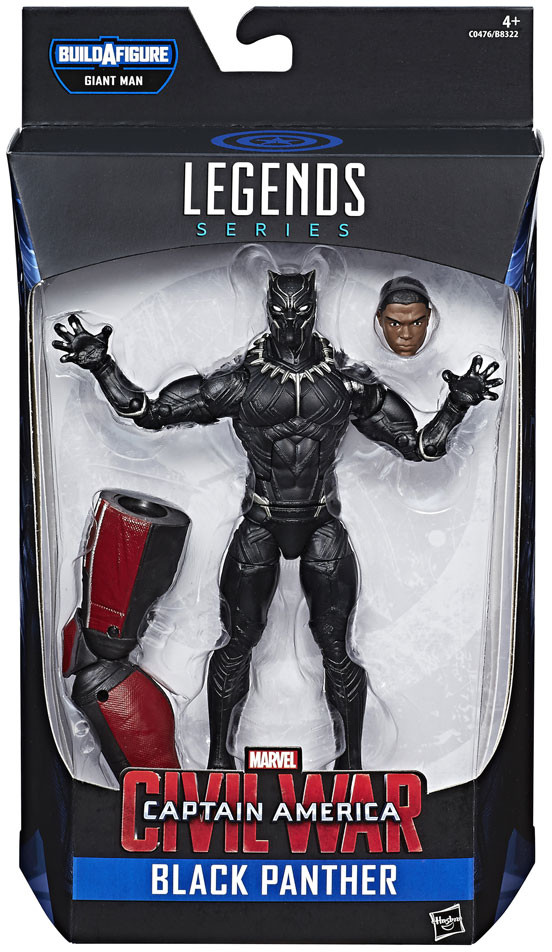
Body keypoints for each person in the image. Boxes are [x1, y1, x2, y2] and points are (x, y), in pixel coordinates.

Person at [53, 269, 502, 769]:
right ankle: (219, 764)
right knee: (237, 643)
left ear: (313, 310)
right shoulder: (241, 382)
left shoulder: (347, 384)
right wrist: (102, 365)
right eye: (281, 313)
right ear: (269, 310)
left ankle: (351, 767)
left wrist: (457, 405)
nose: (290, 324)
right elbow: (148, 411)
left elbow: (418, 446)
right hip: (261, 521)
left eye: (300, 313)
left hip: (320, 521)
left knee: (336, 649)